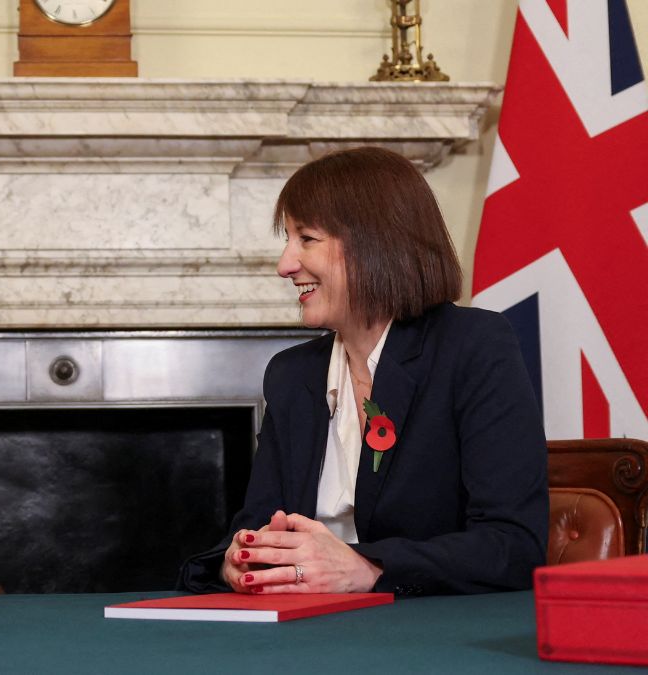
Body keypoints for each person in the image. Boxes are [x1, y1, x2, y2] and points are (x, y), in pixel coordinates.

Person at [179, 146, 547, 596]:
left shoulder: (473, 346)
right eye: (288, 240)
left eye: (306, 239)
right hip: (304, 626)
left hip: (425, 627)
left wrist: (368, 568)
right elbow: (254, 526)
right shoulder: (291, 374)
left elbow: (513, 546)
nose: (284, 265)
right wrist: (238, 561)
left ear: (375, 243)